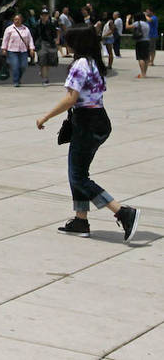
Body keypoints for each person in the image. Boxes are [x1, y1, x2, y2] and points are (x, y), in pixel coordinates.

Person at [35, 26, 140, 242]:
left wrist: (45, 117)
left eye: (68, 41)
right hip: (98, 120)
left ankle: (122, 212)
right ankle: (80, 220)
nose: (66, 44)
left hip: (86, 123)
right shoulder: (93, 62)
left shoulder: (80, 65)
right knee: (79, 172)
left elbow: (70, 99)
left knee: (78, 176)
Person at [1, 13, 35, 87]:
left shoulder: (26, 29)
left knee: (23, 66)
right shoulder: (9, 29)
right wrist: (4, 49)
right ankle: (16, 81)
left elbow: (30, 39)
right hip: (12, 50)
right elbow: (5, 39)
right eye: (15, 19)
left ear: (21, 20)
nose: (17, 21)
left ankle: (18, 78)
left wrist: (32, 48)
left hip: (23, 50)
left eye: (18, 20)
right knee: (15, 66)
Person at [33, 8, 60, 84]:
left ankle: (43, 73)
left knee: (48, 62)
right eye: (43, 15)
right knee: (43, 61)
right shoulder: (37, 24)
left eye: (46, 15)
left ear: (48, 16)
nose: (44, 17)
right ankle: (45, 78)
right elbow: (34, 35)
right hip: (41, 44)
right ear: (40, 16)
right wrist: (33, 45)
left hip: (50, 44)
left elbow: (55, 33)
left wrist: (56, 41)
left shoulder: (52, 23)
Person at [126, 12, 151, 79]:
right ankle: (144, 73)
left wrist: (127, 19)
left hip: (140, 41)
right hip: (147, 41)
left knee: (141, 58)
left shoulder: (137, 23)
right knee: (146, 58)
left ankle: (142, 74)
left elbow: (127, 27)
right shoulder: (146, 24)